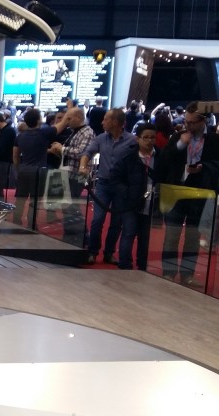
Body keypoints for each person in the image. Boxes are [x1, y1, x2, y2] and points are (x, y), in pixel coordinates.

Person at [160, 101, 219, 284]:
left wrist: (204, 168)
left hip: (199, 193)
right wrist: (179, 144)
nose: (188, 125)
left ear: (204, 121)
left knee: (193, 237)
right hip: (176, 192)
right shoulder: (178, 136)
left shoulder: (214, 141)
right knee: (171, 235)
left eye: (192, 123)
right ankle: (168, 272)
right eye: (186, 121)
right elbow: (163, 160)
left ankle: (187, 274)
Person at [78, 108, 138, 264]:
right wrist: (83, 166)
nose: (102, 122)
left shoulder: (131, 141)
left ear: (115, 122)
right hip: (103, 183)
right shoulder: (101, 138)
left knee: (116, 222)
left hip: (121, 186)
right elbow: (87, 153)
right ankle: (92, 250)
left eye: (105, 119)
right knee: (97, 219)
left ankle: (109, 252)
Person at [114, 123, 165, 271]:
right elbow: (115, 178)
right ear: (138, 139)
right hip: (131, 202)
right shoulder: (128, 157)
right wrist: (127, 192)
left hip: (152, 203)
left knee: (145, 237)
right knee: (129, 233)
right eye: (146, 137)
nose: (149, 141)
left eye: (152, 138)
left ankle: (142, 265)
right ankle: (124, 264)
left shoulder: (161, 156)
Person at [49, 105, 95, 244]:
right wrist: (59, 150)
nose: (66, 121)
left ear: (77, 117)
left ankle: (81, 237)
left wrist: (62, 148)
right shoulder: (75, 131)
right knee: (66, 207)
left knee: (72, 207)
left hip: (76, 174)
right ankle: (71, 235)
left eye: (68, 118)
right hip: (66, 172)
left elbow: (82, 153)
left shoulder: (87, 132)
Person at [12, 108, 62, 226]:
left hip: (24, 170)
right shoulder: (44, 133)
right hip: (39, 171)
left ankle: (16, 220)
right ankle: (31, 223)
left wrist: (18, 170)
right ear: (39, 120)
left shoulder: (20, 136)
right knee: (35, 200)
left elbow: (15, 156)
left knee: (20, 199)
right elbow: (62, 125)